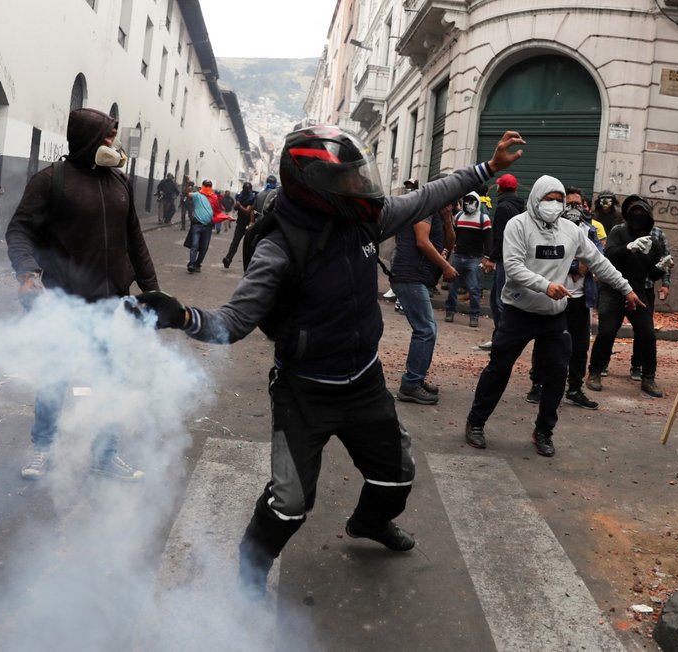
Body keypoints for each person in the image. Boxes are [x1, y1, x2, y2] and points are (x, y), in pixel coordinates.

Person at [134, 125, 525, 598]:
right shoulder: (280, 247)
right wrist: (184, 315)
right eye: (347, 179)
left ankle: (368, 523)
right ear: (314, 185)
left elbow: (426, 198)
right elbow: (234, 322)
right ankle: (249, 575)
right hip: (304, 391)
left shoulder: (366, 218)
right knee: (289, 504)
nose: (359, 186)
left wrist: (489, 168)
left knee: (397, 476)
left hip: (365, 383)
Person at [6, 107, 159, 481]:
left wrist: (154, 292)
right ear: (89, 140)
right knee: (55, 377)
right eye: (108, 136)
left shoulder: (120, 183)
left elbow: (135, 240)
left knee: (107, 381)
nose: (114, 143)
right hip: (64, 301)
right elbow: (19, 230)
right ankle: (43, 449)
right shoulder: (51, 181)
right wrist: (26, 272)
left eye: (114, 135)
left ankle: (105, 456)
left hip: (110, 303)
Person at [463, 175, 642, 455]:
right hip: (517, 312)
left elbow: (598, 261)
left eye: (559, 199)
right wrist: (546, 286)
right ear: (536, 198)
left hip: (554, 315)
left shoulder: (570, 230)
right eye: (549, 199)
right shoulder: (517, 225)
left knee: (558, 372)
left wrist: (625, 288)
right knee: (498, 369)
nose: (555, 204)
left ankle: (544, 430)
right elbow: (512, 267)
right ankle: (476, 421)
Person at [587, 195, 673, 398]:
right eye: (634, 213)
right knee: (607, 332)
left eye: (642, 214)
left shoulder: (653, 239)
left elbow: (653, 273)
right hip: (613, 290)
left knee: (647, 335)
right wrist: (628, 247)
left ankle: (648, 377)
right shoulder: (619, 232)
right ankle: (595, 372)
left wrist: (662, 268)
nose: (637, 217)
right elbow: (608, 256)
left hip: (638, 291)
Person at [525, 186, 602, 410]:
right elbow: (552, 260)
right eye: (570, 205)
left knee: (579, 346)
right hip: (554, 296)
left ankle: (575, 388)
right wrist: (578, 264)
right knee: (545, 342)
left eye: (579, 205)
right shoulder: (549, 230)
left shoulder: (589, 230)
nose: (575, 209)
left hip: (580, 298)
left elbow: (597, 259)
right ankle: (538, 384)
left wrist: (580, 265)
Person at [390, 181, 458, 405]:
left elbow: (450, 242)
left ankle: (415, 379)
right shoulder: (425, 208)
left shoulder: (438, 212)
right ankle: (410, 385)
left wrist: (447, 218)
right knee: (425, 330)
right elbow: (422, 241)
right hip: (409, 275)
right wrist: (446, 267)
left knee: (426, 329)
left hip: (419, 277)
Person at [478, 173, 524, 351]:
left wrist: (491, 258)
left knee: (499, 301)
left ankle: (503, 339)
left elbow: (501, 236)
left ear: (501, 188)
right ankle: (500, 337)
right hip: (514, 258)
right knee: (498, 299)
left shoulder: (504, 207)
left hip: (506, 260)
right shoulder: (520, 206)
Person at [629, 221, 673, 381]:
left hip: (646, 288)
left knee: (644, 330)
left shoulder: (658, 233)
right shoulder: (622, 230)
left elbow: (666, 259)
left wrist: (665, 284)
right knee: (610, 328)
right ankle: (602, 365)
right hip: (622, 287)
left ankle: (637, 365)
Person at [444, 191, 492, 327]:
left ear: (477, 203)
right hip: (458, 256)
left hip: (475, 259)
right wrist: (449, 247)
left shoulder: (484, 219)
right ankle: (449, 312)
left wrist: (487, 257)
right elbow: (452, 234)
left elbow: (489, 239)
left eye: (472, 202)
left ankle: (474, 315)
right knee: (452, 287)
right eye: (467, 201)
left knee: (474, 289)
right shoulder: (458, 216)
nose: (469, 204)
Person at [223, 181, 257, 269]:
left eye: (247, 189)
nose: (245, 191)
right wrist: (237, 205)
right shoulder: (240, 196)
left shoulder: (252, 198)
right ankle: (228, 259)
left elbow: (247, 211)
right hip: (240, 224)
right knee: (235, 242)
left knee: (249, 245)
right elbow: (235, 207)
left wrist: (239, 206)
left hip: (250, 225)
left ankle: (250, 265)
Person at [186, 179, 215, 273]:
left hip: (208, 226)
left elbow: (217, 210)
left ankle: (198, 264)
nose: (207, 188)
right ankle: (191, 263)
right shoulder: (197, 195)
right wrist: (187, 184)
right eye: (205, 186)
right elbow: (188, 194)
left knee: (204, 247)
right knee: (194, 244)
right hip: (197, 225)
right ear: (202, 186)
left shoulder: (214, 198)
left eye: (209, 186)